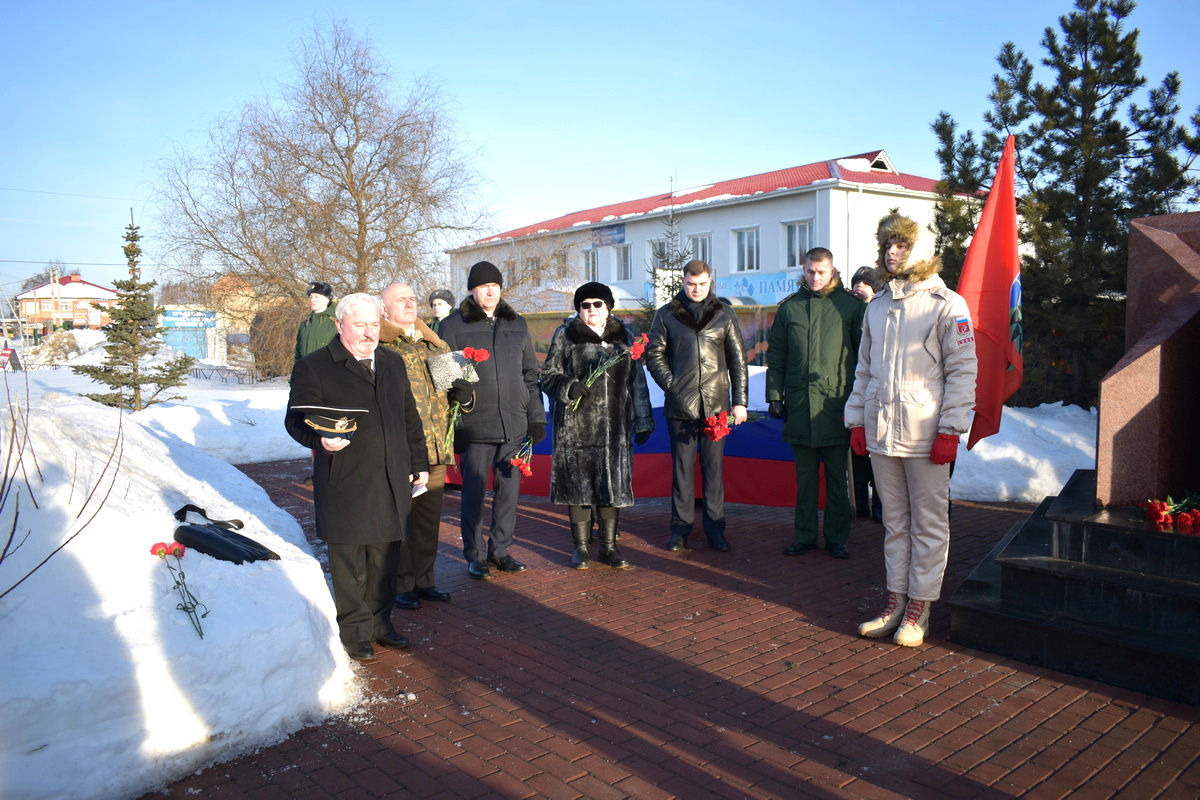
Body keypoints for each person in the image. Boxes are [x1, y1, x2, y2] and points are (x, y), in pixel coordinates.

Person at [845, 211, 977, 648]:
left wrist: (951, 429)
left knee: (929, 524)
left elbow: (962, 371)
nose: (892, 252)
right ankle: (895, 600)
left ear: (919, 250)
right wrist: (857, 419)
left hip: (925, 433)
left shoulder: (948, 304)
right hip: (882, 431)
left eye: (901, 245)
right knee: (895, 523)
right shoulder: (877, 306)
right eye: (888, 245)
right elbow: (863, 369)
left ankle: (920, 605)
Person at [285, 293, 430, 661]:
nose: (369, 332)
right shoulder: (316, 366)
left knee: (385, 557)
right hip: (345, 477)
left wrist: (419, 460)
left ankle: (382, 624)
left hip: (392, 474)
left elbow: (409, 416)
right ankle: (354, 631)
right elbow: (295, 419)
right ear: (339, 325)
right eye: (360, 324)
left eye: (375, 324)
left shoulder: (392, 362)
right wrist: (319, 440)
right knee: (350, 561)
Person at [438, 261, 546, 580]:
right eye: (484, 286)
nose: (490, 291)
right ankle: (474, 554)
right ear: (472, 289)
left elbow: (530, 375)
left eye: (495, 286)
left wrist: (535, 418)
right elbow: (445, 379)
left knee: (508, 493)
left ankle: (500, 550)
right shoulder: (454, 325)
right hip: (474, 425)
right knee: (473, 493)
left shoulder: (517, 324)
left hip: (513, 423)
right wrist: (454, 427)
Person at [541, 282, 654, 569]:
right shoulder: (565, 336)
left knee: (611, 487)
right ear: (578, 309)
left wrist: (642, 419)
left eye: (597, 304)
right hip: (576, 427)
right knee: (578, 487)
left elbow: (637, 382)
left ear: (608, 307)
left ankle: (609, 546)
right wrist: (569, 386)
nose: (591, 309)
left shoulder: (624, 337)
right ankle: (580, 547)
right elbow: (548, 375)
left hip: (614, 428)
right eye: (585, 305)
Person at [765, 247, 865, 559]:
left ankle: (837, 536)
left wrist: (859, 402)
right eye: (810, 271)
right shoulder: (789, 309)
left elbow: (865, 358)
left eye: (822, 272)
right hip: (800, 405)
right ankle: (805, 535)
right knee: (804, 478)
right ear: (803, 270)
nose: (815, 277)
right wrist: (774, 396)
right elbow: (777, 355)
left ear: (832, 271)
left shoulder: (850, 307)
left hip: (836, 405)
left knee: (837, 477)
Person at [380, 283, 474, 610]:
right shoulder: (382, 345)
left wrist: (466, 396)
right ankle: (401, 582)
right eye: (400, 300)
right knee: (403, 519)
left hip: (435, 448)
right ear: (385, 308)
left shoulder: (435, 341)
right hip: (402, 449)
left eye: (411, 299)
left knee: (427, 520)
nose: (408, 304)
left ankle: (424, 580)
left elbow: (458, 390)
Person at [645, 259, 749, 553]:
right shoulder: (666, 315)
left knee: (714, 470)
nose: (697, 289)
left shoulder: (724, 314)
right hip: (680, 406)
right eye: (692, 283)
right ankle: (680, 529)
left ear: (710, 281)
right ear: (683, 281)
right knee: (682, 469)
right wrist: (673, 385)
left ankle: (716, 528)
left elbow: (737, 361)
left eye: (703, 284)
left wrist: (740, 402)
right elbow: (654, 355)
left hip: (717, 406)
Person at [848, 266, 884, 522]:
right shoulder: (849, 314)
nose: (859, 286)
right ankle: (860, 503)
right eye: (856, 283)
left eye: (865, 282)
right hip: (857, 390)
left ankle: (880, 506)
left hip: (881, 392)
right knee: (858, 454)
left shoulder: (882, 312)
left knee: (881, 456)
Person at [294, 281, 337, 362]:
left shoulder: (336, 324)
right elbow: (298, 354)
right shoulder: (304, 325)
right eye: (311, 296)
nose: (312, 300)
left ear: (326, 300)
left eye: (316, 297)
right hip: (306, 372)